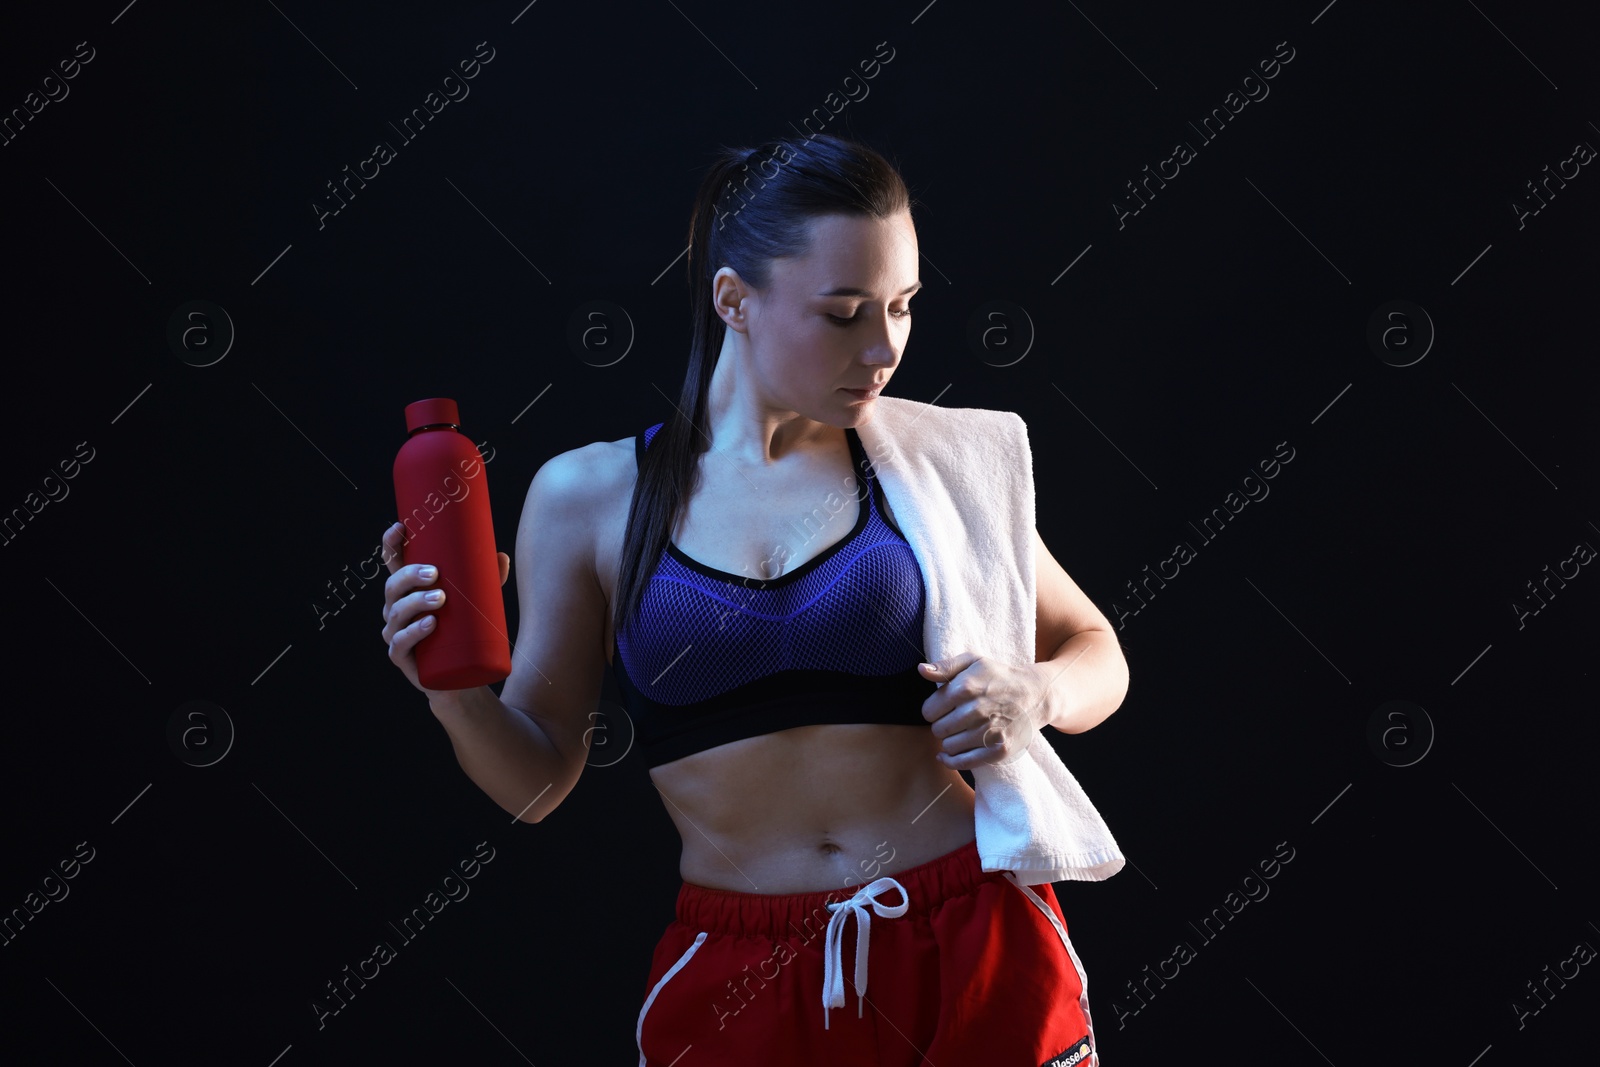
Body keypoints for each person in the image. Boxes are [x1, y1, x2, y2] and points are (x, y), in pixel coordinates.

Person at [380, 133, 1129, 1066]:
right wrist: (448, 691)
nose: (886, 345)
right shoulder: (589, 498)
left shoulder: (936, 465)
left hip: (966, 931)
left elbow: (1098, 649)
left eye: (901, 306)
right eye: (846, 312)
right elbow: (537, 782)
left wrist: (1037, 695)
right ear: (733, 298)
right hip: (742, 974)